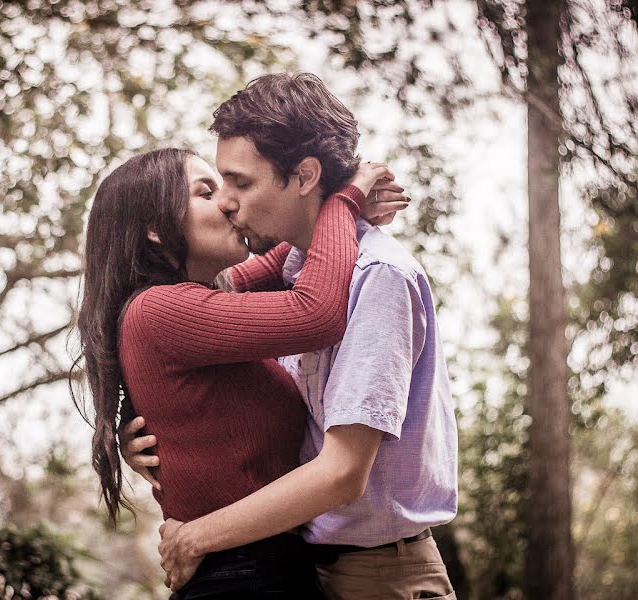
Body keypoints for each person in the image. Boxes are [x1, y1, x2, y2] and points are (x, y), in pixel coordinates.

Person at [122, 73, 458, 600]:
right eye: (213, 189)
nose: (228, 203)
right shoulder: (298, 269)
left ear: (303, 175)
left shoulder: (376, 276)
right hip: (305, 564)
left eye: (240, 183)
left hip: (376, 575)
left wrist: (194, 538)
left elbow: (343, 471)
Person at [78, 142, 405, 599]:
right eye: (205, 191)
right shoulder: (161, 311)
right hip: (242, 577)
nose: (229, 202)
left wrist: (329, 205)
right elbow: (316, 313)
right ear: (155, 229)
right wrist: (346, 199)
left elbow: (291, 255)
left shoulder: (198, 299)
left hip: (256, 568)